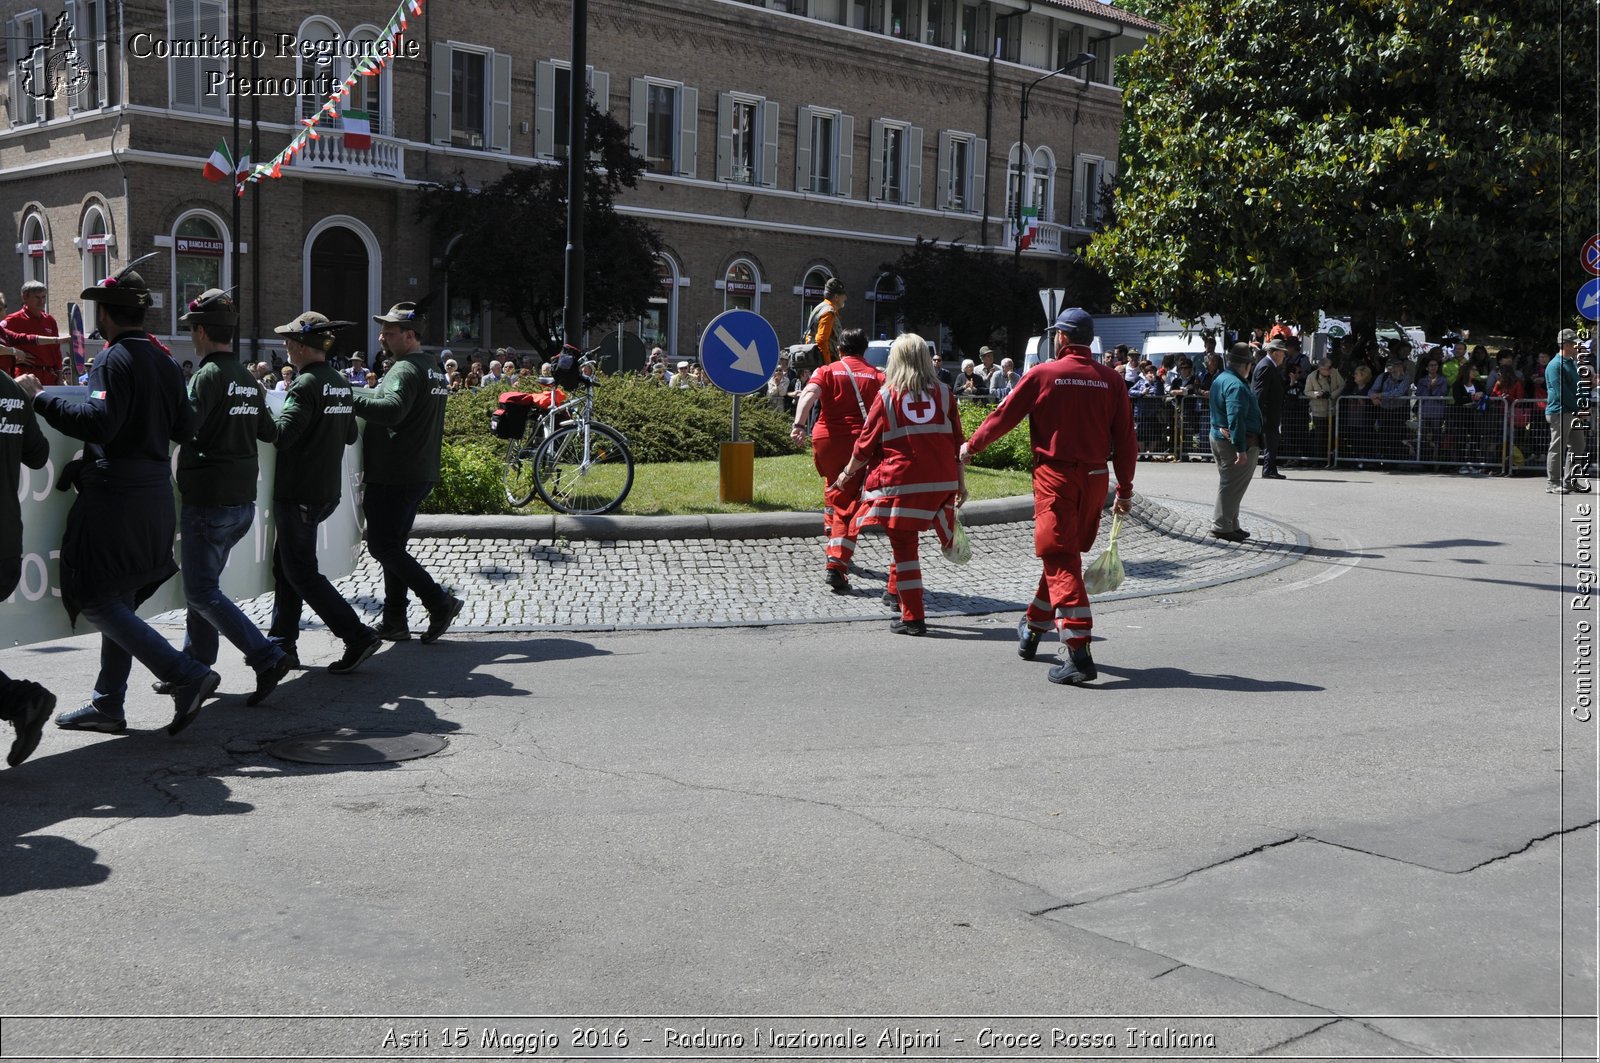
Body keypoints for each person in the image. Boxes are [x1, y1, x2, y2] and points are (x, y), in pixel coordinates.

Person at [17, 266, 219, 736]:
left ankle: (184, 674)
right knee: (120, 597)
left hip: (116, 496)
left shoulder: (112, 359)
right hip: (152, 493)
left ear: (106, 314)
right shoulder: (165, 360)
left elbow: (100, 423)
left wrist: (43, 399)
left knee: (97, 599)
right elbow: (185, 429)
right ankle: (108, 704)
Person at [961, 307, 1135, 685]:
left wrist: (972, 447)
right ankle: (1033, 628)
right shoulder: (1111, 380)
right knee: (1065, 554)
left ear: (1061, 337)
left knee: (1058, 556)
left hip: (1056, 477)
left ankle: (1078, 650)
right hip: (1093, 479)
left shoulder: (1044, 374)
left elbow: (1004, 415)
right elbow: (1125, 441)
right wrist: (1125, 489)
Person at [168, 289, 291, 706]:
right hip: (241, 501)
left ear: (201, 332)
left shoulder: (206, 376)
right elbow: (270, 432)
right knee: (205, 587)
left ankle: (265, 656)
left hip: (209, 499)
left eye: (192, 331)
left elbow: (183, 426)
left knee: (201, 591)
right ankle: (195, 666)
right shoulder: (245, 377)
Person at [267, 312, 383, 672]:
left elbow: (282, 435)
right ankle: (282, 643)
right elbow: (350, 435)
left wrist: (257, 412)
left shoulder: (305, 385)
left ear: (302, 346)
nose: (285, 345)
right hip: (323, 492)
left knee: (301, 572)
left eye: (289, 340)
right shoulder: (337, 381)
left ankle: (356, 635)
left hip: (299, 492)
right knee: (286, 567)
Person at [834, 333, 965, 636]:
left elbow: (864, 445)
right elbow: (958, 442)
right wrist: (960, 484)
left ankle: (914, 618)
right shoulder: (946, 393)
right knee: (915, 540)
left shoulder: (887, 395)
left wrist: (846, 475)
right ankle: (903, 591)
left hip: (902, 483)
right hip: (941, 481)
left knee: (905, 550)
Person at [351, 302, 463, 643]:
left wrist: (347, 395)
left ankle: (438, 601)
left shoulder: (404, 369)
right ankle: (395, 620)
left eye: (390, 331)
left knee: (383, 547)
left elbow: (392, 412)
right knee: (394, 547)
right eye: (383, 329)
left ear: (410, 335)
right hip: (418, 469)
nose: (382, 336)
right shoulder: (431, 366)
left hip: (394, 473)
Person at [790, 328, 883, 593]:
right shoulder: (877, 374)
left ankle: (833, 538)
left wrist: (799, 424)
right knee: (849, 504)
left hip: (826, 441)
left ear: (840, 349)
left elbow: (809, 395)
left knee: (834, 487)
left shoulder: (827, 371)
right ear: (864, 350)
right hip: (859, 444)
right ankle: (837, 563)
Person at [0, 361, 53, 765]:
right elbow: (38, 457)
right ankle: (22, 702)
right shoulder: (12, 392)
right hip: (7, 540)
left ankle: (22, 700)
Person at [1209, 343, 1264, 543]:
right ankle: (1222, 525)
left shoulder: (1221, 379)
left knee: (1233, 484)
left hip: (1220, 437)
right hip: (1238, 442)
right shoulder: (1236, 385)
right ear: (1246, 365)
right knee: (1232, 485)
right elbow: (1236, 417)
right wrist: (1241, 449)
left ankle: (1231, 523)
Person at [1, 281, 71, 384]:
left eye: (43, 297)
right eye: (37, 297)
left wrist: (60, 376)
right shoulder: (12, 320)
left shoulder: (50, 320)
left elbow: (56, 352)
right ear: (25, 297)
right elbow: (7, 344)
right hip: (26, 375)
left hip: (49, 376)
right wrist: (14, 356)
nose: (41, 301)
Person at [1546, 328, 1589, 494]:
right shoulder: (1555, 365)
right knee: (1557, 446)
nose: (1575, 347)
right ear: (1564, 344)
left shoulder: (1572, 362)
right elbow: (1561, 392)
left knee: (1578, 445)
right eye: (1572, 343)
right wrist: (1578, 408)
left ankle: (1569, 481)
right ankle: (1553, 482)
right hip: (1560, 411)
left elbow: (1578, 387)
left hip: (1573, 411)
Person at [1252, 338, 1288, 478]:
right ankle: (1268, 469)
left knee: (1272, 441)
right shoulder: (1266, 366)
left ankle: (1271, 469)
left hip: (1270, 412)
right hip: (1267, 413)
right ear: (1275, 353)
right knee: (1270, 440)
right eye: (1282, 352)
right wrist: (1258, 414)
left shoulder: (1269, 365)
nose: (1284, 356)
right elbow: (1259, 394)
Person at [1303, 357, 1344, 464]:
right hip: (1318, 411)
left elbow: (1342, 385)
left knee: (1332, 435)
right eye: (1327, 368)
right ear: (1320, 368)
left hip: (1333, 410)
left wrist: (1332, 395)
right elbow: (1307, 391)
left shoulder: (1335, 373)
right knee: (1319, 437)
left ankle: (1331, 459)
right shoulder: (1312, 377)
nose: (1330, 369)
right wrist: (1317, 394)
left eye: (1331, 367)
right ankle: (1318, 460)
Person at [803, 277, 846, 366]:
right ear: (836, 297)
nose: (845, 298)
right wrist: (828, 365)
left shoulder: (820, 308)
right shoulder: (828, 312)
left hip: (817, 360)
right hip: (825, 362)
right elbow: (821, 340)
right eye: (843, 295)